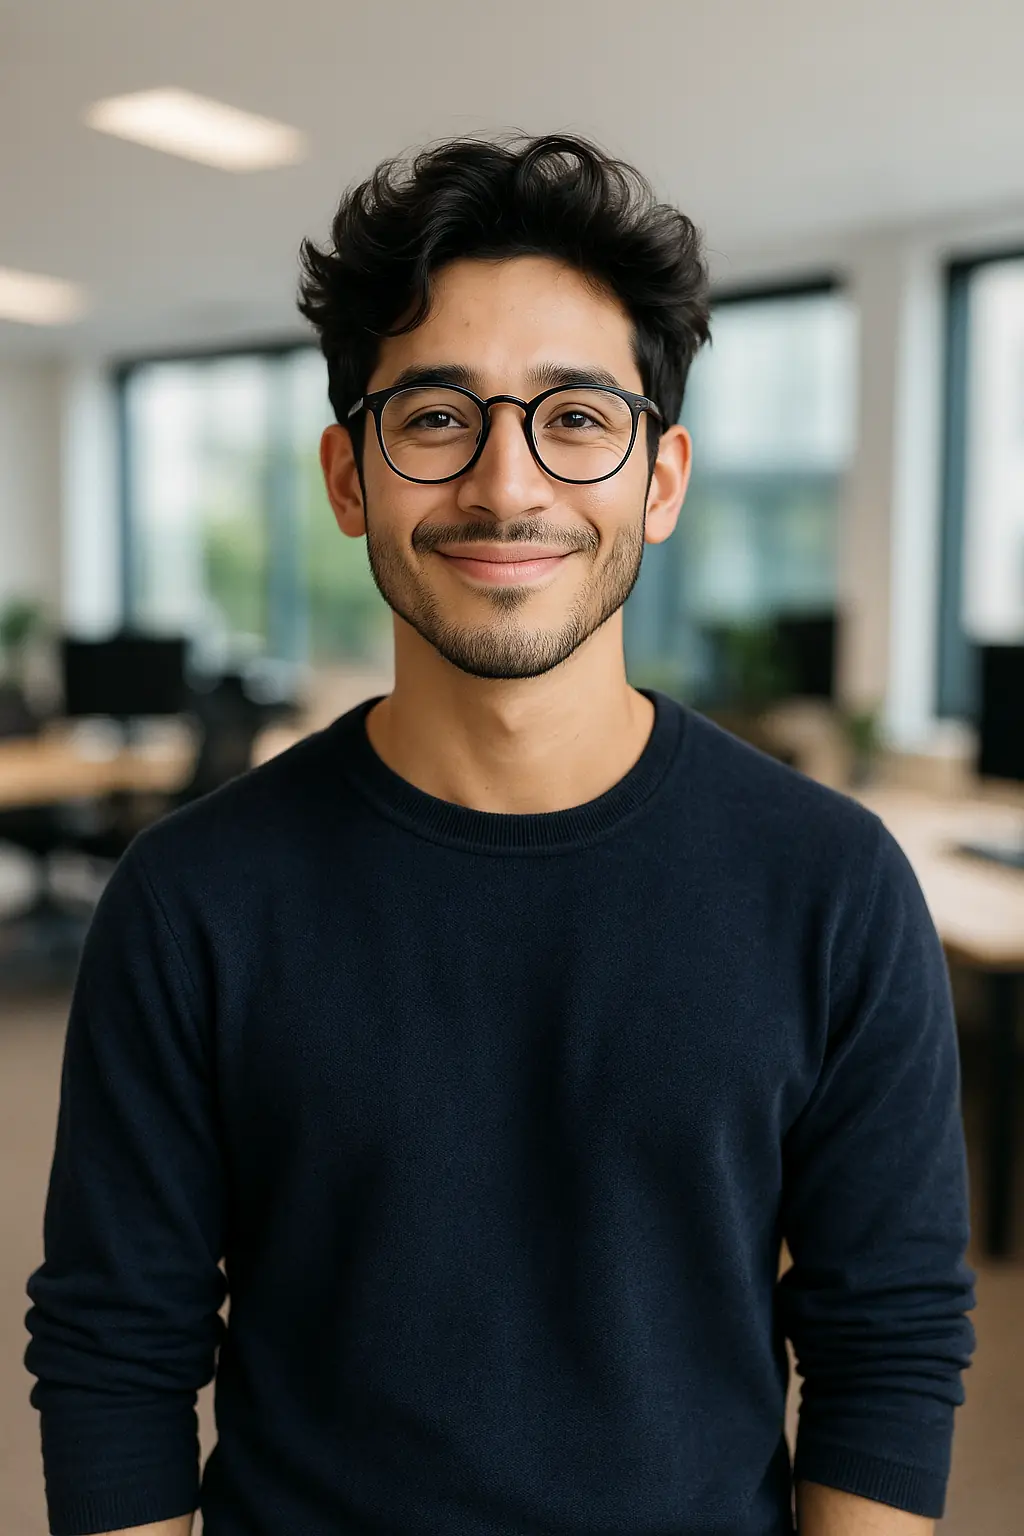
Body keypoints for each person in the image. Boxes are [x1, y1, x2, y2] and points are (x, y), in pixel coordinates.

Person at [24, 132, 976, 1536]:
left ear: (661, 477)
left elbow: (885, 1349)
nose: (506, 485)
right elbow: (116, 1358)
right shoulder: (193, 899)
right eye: (436, 418)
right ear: (352, 478)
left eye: (577, 418)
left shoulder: (831, 886)